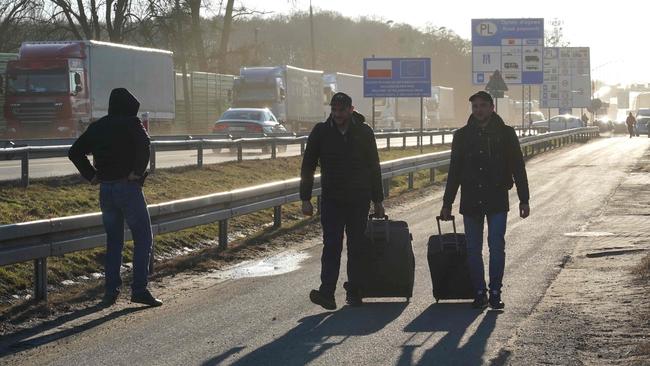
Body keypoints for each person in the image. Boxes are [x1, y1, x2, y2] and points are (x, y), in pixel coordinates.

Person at [68, 88, 162, 307]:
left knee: (114, 242)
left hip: (106, 191)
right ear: (129, 106)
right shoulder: (132, 123)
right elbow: (145, 145)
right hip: (128, 188)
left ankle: (111, 292)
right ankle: (139, 290)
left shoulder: (98, 126)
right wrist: (137, 172)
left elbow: (74, 152)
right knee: (143, 239)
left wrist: (91, 175)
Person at [440, 91, 530, 310]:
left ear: (492, 108)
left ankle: (496, 291)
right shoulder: (462, 136)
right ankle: (479, 292)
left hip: (497, 198)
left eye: (482, 106)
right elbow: (454, 171)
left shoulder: (506, 134)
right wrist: (447, 203)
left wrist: (524, 199)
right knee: (473, 249)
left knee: (496, 246)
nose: (478, 110)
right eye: (475, 107)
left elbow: (518, 167)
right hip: (471, 199)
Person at [300, 92, 384, 310]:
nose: (337, 114)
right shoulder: (321, 132)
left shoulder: (364, 132)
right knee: (331, 246)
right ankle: (327, 292)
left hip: (358, 199)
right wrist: (305, 198)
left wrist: (378, 200)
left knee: (357, 246)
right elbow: (308, 165)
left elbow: (374, 167)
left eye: (341, 110)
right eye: (334, 110)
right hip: (331, 199)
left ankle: (355, 292)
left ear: (351, 109)